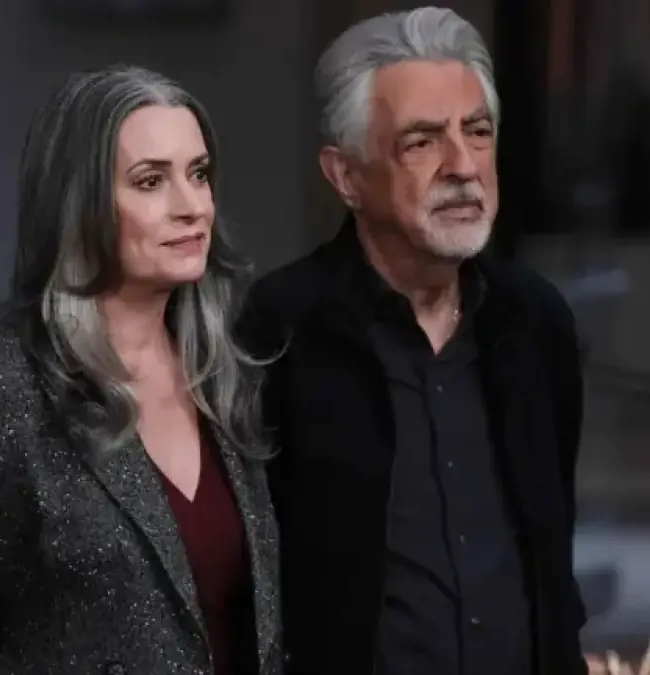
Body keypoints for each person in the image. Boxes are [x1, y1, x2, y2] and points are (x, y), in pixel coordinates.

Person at [238, 8, 587, 675]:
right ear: (346, 177)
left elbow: (552, 559)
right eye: (422, 141)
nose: (463, 165)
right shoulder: (278, 330)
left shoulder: (536, 321)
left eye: (477, 132)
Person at [0, 65, 282, 675]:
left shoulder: (222, 375)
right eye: (150, 181)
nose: (191, 207)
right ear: (76, 205)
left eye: (199, 174)